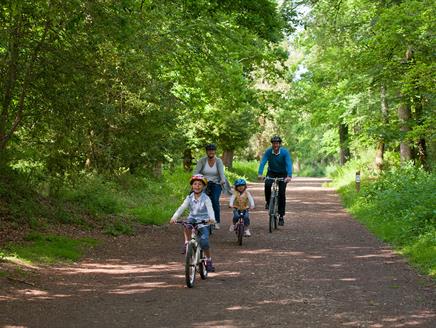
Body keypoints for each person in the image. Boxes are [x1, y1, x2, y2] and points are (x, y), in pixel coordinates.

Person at [170, 174, 216, 272]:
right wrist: (175, 217)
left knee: (204, 242)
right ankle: (187, 242)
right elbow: (182, 207)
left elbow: (210, 209)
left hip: (204, 221)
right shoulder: (189, 197)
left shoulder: (206, 198)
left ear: (203, 186)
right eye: (195, 184)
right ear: (192, 186)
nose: (197, 186)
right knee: (186, 223)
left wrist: (212, 218)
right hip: (193, 218)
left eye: (200, 184)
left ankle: (208, 260)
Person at [257, 135, 292, 226]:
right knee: (267, 184)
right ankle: (268, 202)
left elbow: (288, 164)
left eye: (277, 143)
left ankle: (281, 216)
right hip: (271, 172)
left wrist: (289, 175)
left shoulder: (285, 152)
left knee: (281, 193)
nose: (275, 145)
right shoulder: (268, 152)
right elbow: (263, 162)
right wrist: (260, 173)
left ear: (280, 144)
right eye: (274, 143)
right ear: (272, 144)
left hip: (282, 174)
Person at [193, 144, 227, 230]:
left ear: (215, 151)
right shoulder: (202, 161)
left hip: (216, 183)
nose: (211, 152)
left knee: (215, 200)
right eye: (209, 150)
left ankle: (216, 221)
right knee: (201, 200)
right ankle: (199, 219)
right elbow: (196, 172)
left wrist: (222, 180)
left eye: (212, 150)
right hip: (204, 183)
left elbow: (221, 173)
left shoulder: (218, 161)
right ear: (206, 152)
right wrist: (195, 179)